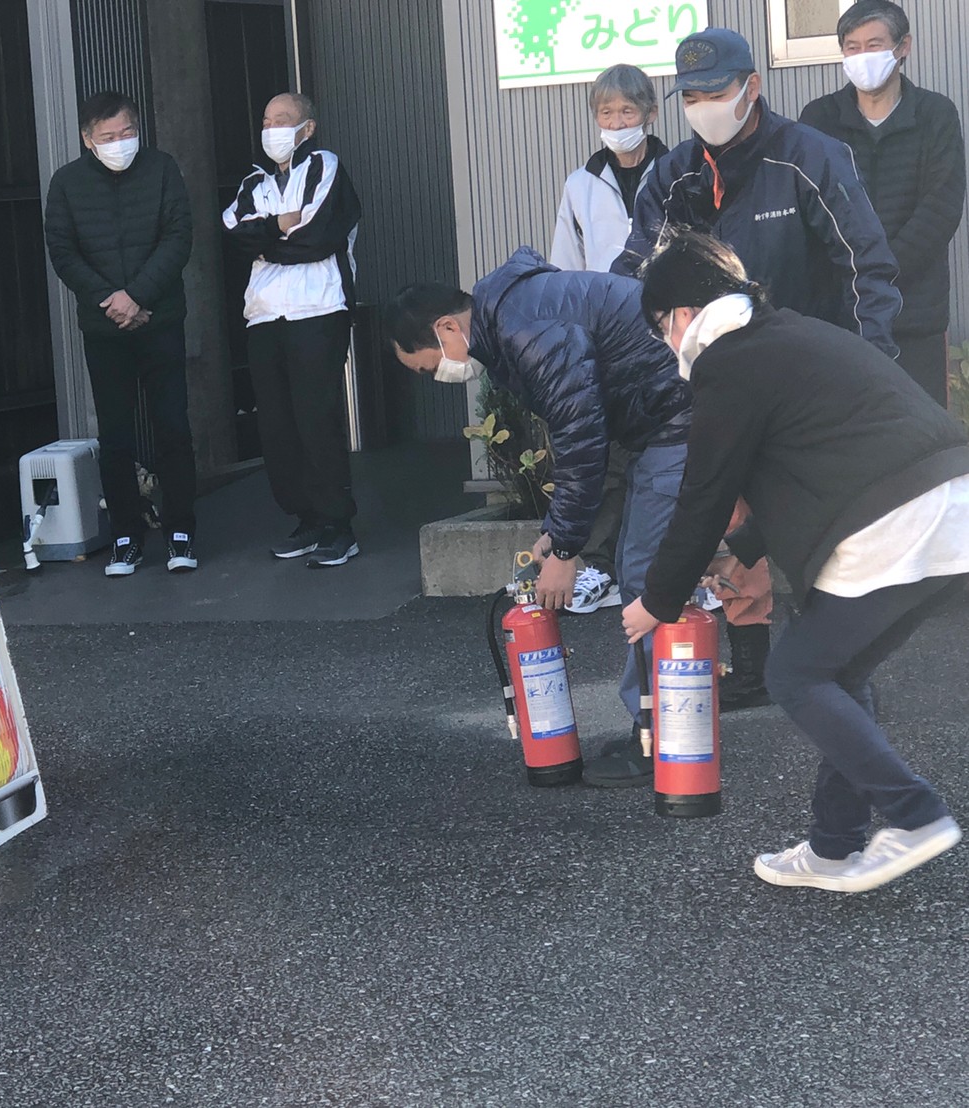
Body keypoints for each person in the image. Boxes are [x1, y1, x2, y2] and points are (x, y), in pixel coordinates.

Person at [624, 229, 967, 893]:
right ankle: (833, 847)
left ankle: (915, 814)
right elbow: (819, 461)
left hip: (894, 519)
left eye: (661, 326)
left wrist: (656, 601)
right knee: (837, 671)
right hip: (949, 500)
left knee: (794, 673)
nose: (666, 343)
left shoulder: (728, 362)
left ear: (684, 315)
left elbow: (703, 495)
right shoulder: (790, 334)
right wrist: (741, 554)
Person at [613, 26, 905, 712]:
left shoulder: (809, 157)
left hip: (808, 385)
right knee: (730, 515)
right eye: (690, 97)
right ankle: (750, 668)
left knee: (813, 535)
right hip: (718, 381)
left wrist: (873, 369)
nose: (703, 107)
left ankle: (841, 681)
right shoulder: (673, 175)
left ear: (752, 87)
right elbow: (636, 275)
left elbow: (865, 267)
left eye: (715, 92)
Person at [385, 247, 692, 787]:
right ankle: (662, 723)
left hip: (678, 413)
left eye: (429, 366)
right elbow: (584, 433)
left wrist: (567, 551)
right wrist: (556, 533)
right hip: (661, 414)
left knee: (648, 576)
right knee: (639, 565)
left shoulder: (523, 326)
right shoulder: (515, 313)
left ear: (447, 328)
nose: (437, 376)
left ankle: (662, 736)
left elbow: (580, 433)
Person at [44, 91, 198, 578]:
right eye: (108, 136)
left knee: (173, 425)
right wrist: (111, 300)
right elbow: (63, 251)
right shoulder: (67, 183)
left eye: (127, 132)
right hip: (104, 326)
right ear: (87, 140)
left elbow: (179, 237)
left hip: (160, 319)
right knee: (115, 434)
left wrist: (138, 296)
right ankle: (125, 537)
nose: (119, 142)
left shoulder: (162, 169)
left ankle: (181, 531)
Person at [800, 1, 966, 407]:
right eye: (852, 47)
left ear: (903, 46)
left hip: (916, 313)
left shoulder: (935, 114)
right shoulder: (819, 119)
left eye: (874, 45)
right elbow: (808, 211)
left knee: (921, 428)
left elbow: (941, 208)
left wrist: (881, 274)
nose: (863, 57)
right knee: (846, 428)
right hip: (841, 316)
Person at [222, 92, 363, 567]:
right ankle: (306, 518)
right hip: (264, 314)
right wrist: (278, 227)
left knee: (317, 418)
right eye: (266, 120)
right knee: (277, 424)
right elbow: (232, 235)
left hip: (318, 309)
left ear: (308, 128)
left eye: (283, 119)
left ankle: (338, 524)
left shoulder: (325, 166)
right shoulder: (253, 183)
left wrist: (265, 240)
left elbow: (318, 237)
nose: (272, 129)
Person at [550, 63, 669, 616]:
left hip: (673, 328)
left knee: (676, 446)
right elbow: (566, 266)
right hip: (608, 335)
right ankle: (600, 565)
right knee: (612, 451)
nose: (617, 122)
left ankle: (679, 568)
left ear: (650, 113)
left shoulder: (679, 169)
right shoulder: (581, 183)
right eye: (607, 112)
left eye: (627, 111)